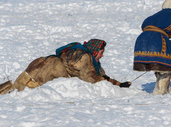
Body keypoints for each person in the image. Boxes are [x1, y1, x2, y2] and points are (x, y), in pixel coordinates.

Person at [0, 39, 131, 95]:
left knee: (15, 89)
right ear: (95, 51)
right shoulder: (84, 57)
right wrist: (109, 82)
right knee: (17, 91)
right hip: (43, 71)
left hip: (41, 65)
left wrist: (118, 84)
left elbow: (101, 75)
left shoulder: (89, 59)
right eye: (101, 53)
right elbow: (90, 77)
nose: (102, 56)